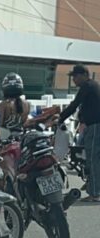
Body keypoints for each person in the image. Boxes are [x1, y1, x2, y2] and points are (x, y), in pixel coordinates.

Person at [59, 64, 100, 202]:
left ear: (83, 75)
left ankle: (95, 193)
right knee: (92, 158)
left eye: (75, 76)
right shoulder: (92, 86)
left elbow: (74, 105)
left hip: (95, 127)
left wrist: (60, 118)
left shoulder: (87, 87)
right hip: (92, 126)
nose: (74, 80)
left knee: (93, 158)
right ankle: (93, 186)